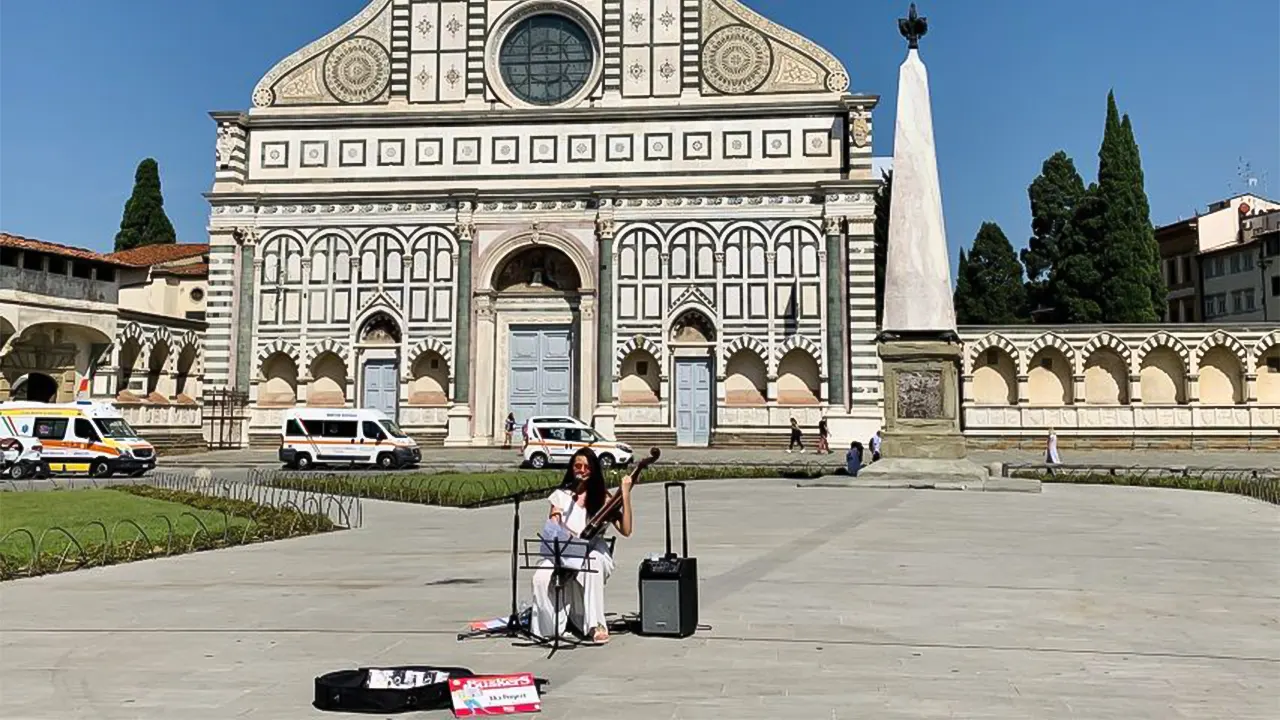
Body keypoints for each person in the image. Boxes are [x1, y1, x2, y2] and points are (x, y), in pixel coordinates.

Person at [530, 448, 634, 644]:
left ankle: (596, 625)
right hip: (564, 548)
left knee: (592, 565)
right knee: (540, 577)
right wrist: (556, 520)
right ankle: (548, 628)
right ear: (572, 468)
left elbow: (626, 530)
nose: (582, 470)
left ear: (594, 470)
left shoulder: (602, 498)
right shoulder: (561, 495)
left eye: (587, 467)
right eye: (578, 466)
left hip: (594, 549)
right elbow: (553, 524)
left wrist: (626, 495)